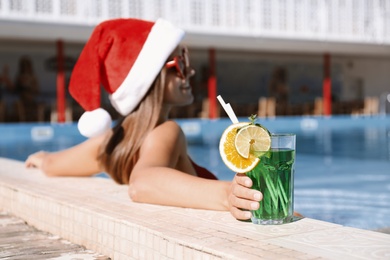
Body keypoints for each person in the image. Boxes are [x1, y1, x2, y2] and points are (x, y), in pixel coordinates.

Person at [25, 18, 262, 220]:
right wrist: (227, 195)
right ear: (151, 78)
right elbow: (142, 184)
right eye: (179, 64)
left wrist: (44, 158)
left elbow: (54, 165)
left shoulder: (112, 141)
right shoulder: (167, 131)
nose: (190, 71)